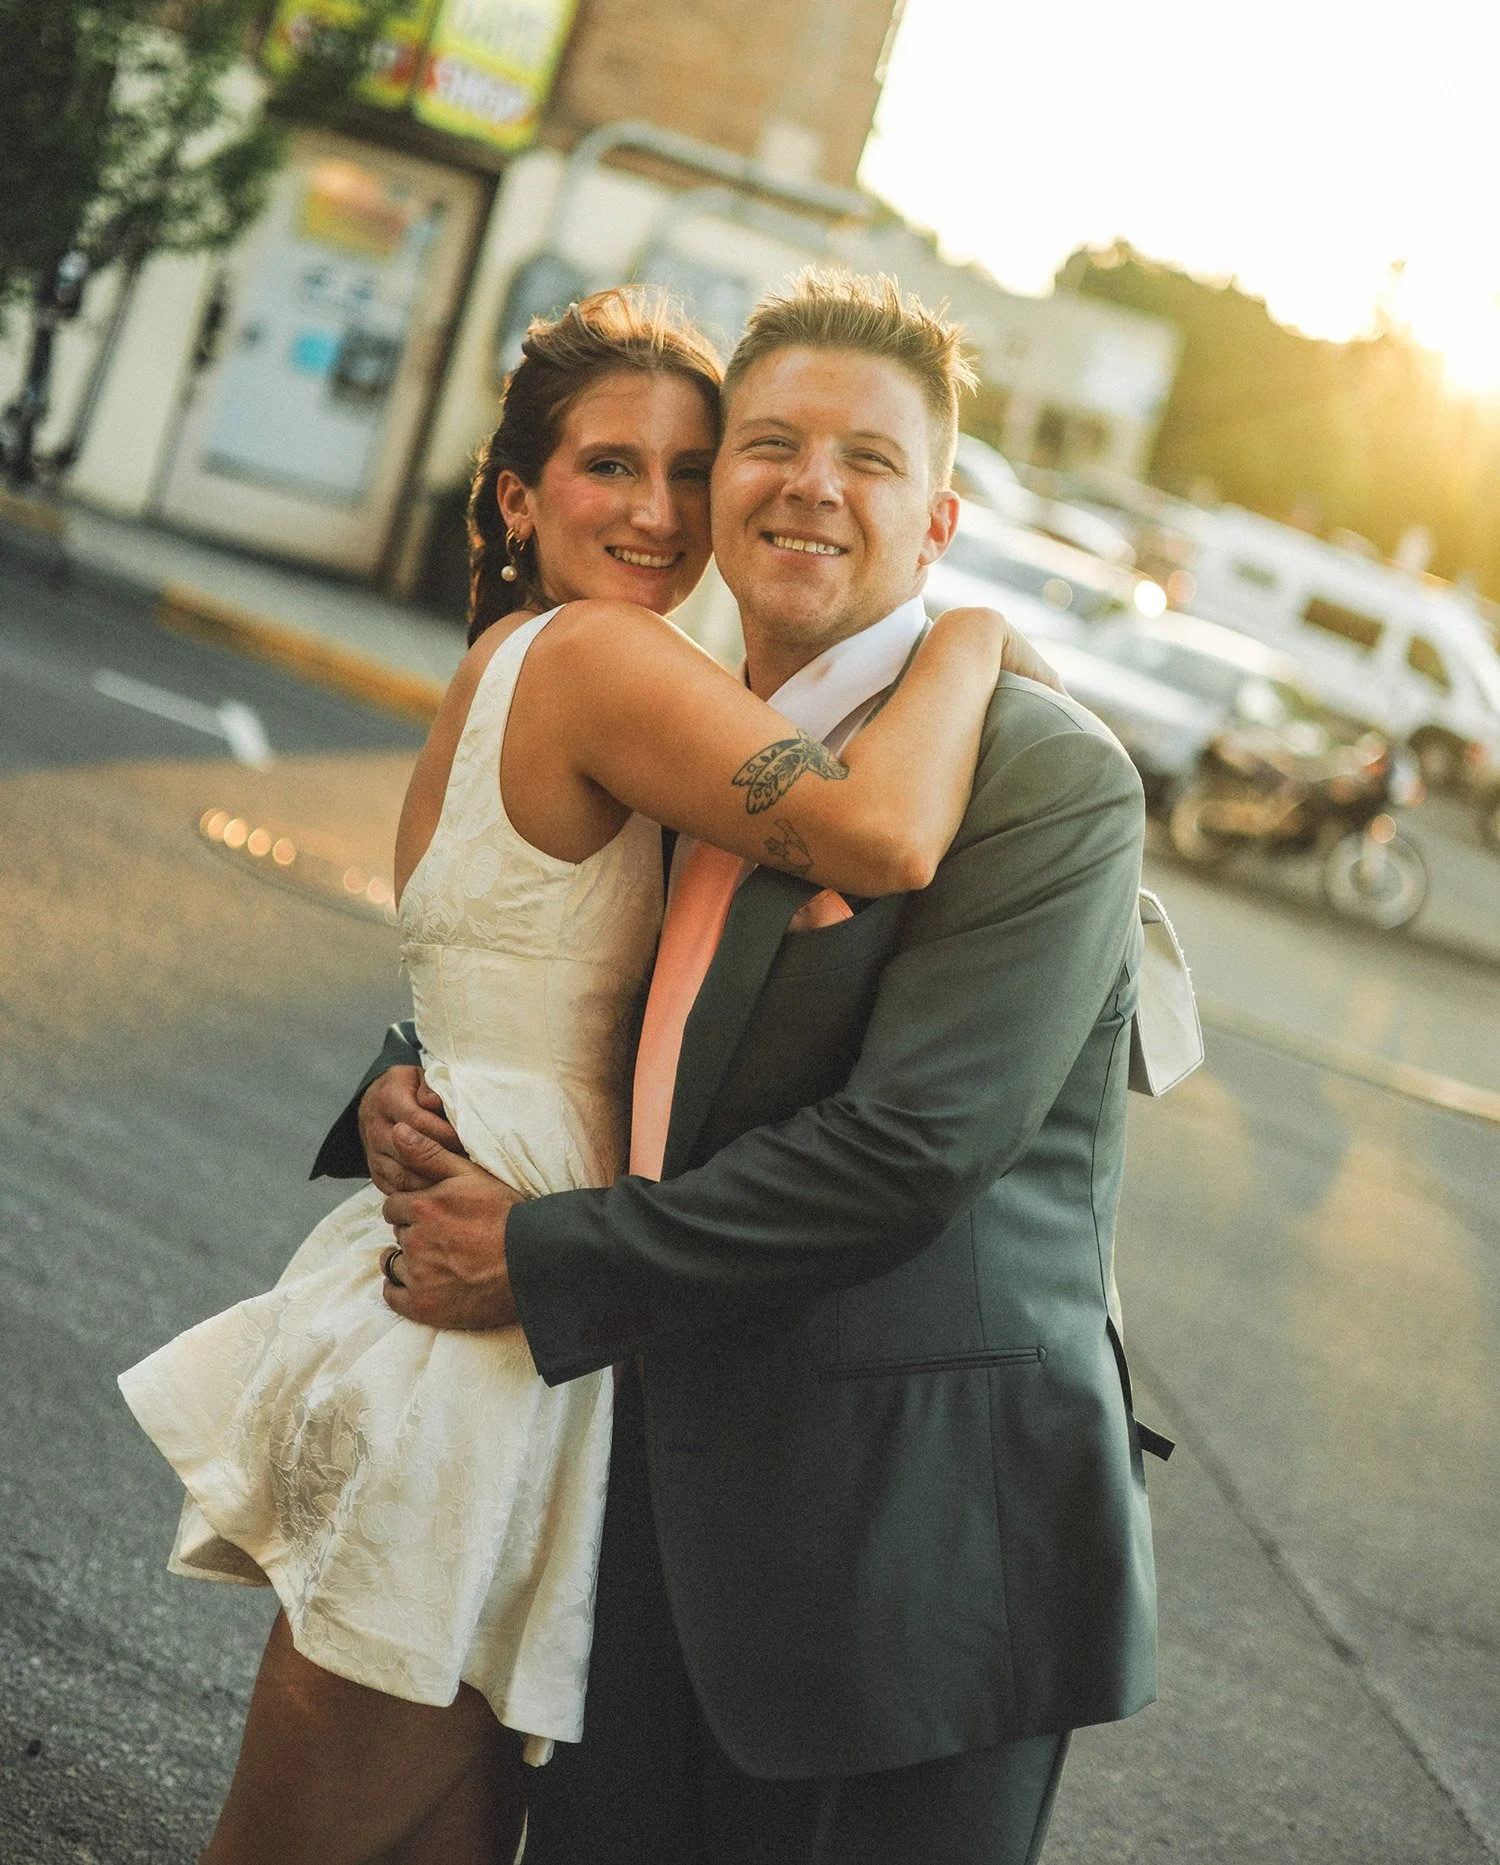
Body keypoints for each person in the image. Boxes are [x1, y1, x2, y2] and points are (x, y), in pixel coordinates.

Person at [119, 285, 1029, 1865]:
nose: (661, 510)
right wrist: (976, 633)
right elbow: (882, 836)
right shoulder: (605, 660)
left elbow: (477, 987)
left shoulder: (509, 661)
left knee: (437, 1839)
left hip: (493, 1254)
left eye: (690, 470)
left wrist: (404, 1086)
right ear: (523, 497)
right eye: (614, 468)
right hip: (491, 1325)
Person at [332, 269, 1162, 1865]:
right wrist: (411, 1069)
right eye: (767, 444)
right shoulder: (700, 723)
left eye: (869, 457)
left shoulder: (1044, 779)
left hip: (896, 1558)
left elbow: (909, 1151)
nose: (810, 484)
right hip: (644, 1491)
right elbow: (572, 969)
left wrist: (541, 1253)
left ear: (939, 520)